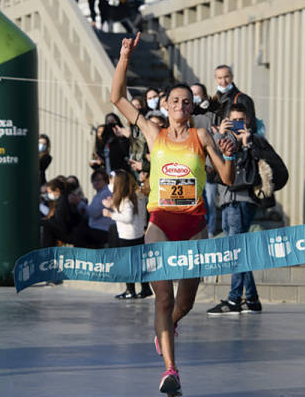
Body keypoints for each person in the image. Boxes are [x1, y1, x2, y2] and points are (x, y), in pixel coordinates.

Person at [110, 33, 236, 396]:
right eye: (174, 100)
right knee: (163, 298)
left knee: (185, 302)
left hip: (195, 226)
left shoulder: (203, 137)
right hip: (160, 224)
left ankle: (166, 328)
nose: (180, 104)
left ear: (193, 107)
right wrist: (124, 58)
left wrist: (227, 153)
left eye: (186, 100)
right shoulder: (153, 133)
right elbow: (116, 97)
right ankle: (171, 370)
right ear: (165, 106)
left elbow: (225, 178)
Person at [206, 103, 266, 315]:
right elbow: (210, 161)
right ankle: (251, 298)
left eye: (242, 119)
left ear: (248, 120)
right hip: (227, 199)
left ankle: (234, 299)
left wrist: (247, 144)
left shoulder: (254, 140)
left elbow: (254, 169)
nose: (238, 124)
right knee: (238, 250)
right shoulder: (224, 140)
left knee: (236, 251)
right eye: (234, 120)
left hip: (242, 199)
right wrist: (219, 136)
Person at [104, 170, 152, 299]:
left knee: (128, 264)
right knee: (139, 263)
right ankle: (145, 288)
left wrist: (110, 214)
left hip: (127, 235)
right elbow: (140, 214)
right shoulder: (138, 196)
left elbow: (127, 217)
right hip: (138, 233)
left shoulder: (127, 198)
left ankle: (130, 290)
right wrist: (112, 205)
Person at [190, 83, 219, 236]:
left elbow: (213, 141)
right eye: (192, 93)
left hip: (208, 168)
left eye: (197, 94)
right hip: (192, 168)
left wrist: (210, 164)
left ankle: (211, 233)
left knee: (211, 203)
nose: (194, 97)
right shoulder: (186, 115)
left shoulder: (211, 115)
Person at [208, 65, 256, 130]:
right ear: (216, 79)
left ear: (232, 77)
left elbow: (250, 125)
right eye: (220, 78)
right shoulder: (214, 99)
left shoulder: (242, 99)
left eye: (226, 77)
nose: (223, 81)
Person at [40, 178, 84, 247]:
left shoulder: (63, 201)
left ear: (57, 190)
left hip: (71, 233)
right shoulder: (63, 198)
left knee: (47, 227)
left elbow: (59, 221)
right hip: (72, 230)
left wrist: (43, 222)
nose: (48, 195)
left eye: (50, 192)